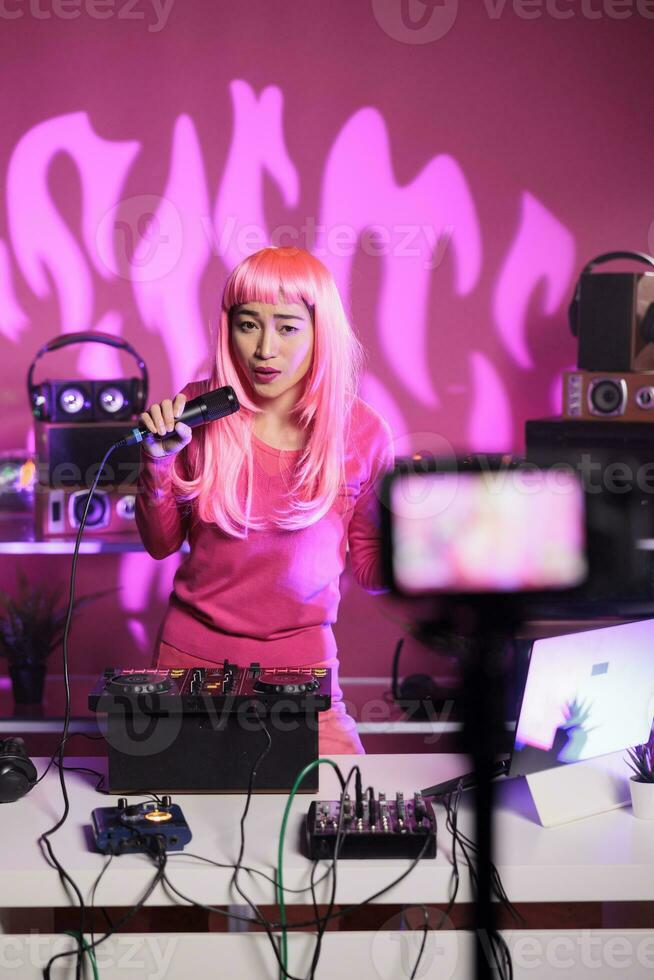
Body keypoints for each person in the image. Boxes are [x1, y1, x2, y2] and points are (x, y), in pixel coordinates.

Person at [134, 245, 394, 754]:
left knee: (339, 814)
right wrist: (158, 464)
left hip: (303, 674)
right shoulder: (197, 411)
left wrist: (425, 550)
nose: (264, 349)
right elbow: (161, 544)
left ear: (321, 333)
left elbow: (368, 565)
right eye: (248, 324)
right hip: (191, 668)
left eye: (288, 327)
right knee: (184, 822)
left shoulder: (363, 432)